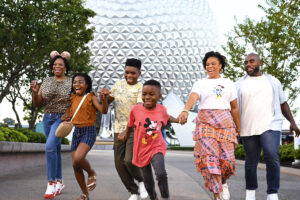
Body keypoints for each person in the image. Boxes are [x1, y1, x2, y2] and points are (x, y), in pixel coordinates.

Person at [236, 53, 300, 200]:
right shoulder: (239, 84)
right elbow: (233, 106)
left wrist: (292, 122)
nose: (248, 64)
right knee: (251, 162)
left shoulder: (272, 81)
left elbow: (283, 103)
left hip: (271, 124)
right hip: (248, 127)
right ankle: (250, 192)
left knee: (272, 155)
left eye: (251, 61)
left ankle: (272, 193)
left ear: (260, 62)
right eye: (246, 62)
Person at [178, 51, 240, 200]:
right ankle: (217, 195)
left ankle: (223, 183)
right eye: (207, 64)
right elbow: (194, 96)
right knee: (210, 160)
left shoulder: (229, 83)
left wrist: (239, 126)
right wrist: (185, 110)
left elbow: (235, 108)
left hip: (225, 123)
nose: (210, 66)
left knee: (228, 162)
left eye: (213, 63)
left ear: (220, 66)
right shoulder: (201, 83)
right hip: (206, 123)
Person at [119, 79, 179, 200]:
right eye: (144, 94)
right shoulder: (135, 109)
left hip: (157, 147)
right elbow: (130, 124)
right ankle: (153, 197)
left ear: (159, 96)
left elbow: (167, 118)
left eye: (151, 94)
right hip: (141, 149)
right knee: (148, 181)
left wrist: (178, 120)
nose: (147, 97)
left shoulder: (161, 109)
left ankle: (165, 196)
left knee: (161, 173)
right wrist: (125, 133)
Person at [100, 58, 148, 200]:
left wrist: (126, 131)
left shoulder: (141, 88)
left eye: (133, 73)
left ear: (139, 73)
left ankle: (141, 181)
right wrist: (104, 97)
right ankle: (133, 191)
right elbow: (105, 107)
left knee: (128, 160)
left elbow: (138, 113)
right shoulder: (118, 85)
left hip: (134, 128)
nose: (129, 76)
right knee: (118, 164)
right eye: (127, 72)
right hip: (118, 127)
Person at [31, 50, 72, 199]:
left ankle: (51, 183)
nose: (57, 67)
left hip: (61, 119)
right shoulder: (46, 81)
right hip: (47, 118)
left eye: (60, 64)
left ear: (65, 67)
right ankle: (60, 181)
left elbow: (73, 101)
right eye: (55, 64)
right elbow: (37, 103)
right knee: (55, 148)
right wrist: (35, 93)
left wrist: (69, 113)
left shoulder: (71, 82)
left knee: (49, 147)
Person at [69, 73, 108, 200]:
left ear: (86, 85)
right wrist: (65, 119)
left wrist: (105, 100)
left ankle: (91, 173)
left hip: (88, 131)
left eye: (80, 82)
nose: (77, 84)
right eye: (75, 82)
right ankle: (85, 194)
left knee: (79, 158)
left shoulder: (91, 97)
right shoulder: (72, 98)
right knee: (75, 164)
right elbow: (69, 115)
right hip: (76, 132)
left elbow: (103, 110)